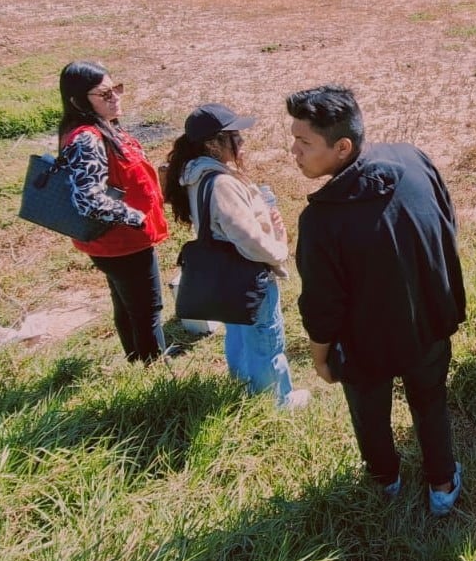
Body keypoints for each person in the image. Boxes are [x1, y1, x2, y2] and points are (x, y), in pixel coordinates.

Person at [288, 85, 466, 516]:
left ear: (342, 147)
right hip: (428, 322)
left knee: (370, 413)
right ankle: (442, 487)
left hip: (364, 344)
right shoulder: (412, 158)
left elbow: (322, 304)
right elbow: (447, 222)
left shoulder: (321, 220)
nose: (293, 151)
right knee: (430, 401)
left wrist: (320, 358)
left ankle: (385, 481)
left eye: (304, 142)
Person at [163, 103, 311, 410]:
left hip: (225, 278)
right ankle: (277, 402)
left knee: (240, 334)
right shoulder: (222, 183)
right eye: (235, 136)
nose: (242, 141)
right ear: (212, 144)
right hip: (248, 276)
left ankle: (244, 385)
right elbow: (249, 240)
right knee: (266, 339)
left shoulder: (197, 174)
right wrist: (279, 251)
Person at [58, 61, 170, 363]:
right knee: (147, 310)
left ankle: (136, 360)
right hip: (122, 243)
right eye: (104, 94)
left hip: (116, 242)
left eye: (115, 89)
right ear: (78, 101)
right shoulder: (87, 138)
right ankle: (156, 373)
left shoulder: (101, 127)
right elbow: (88, 199)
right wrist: (135, 217)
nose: (115, 97)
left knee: (128, 305)